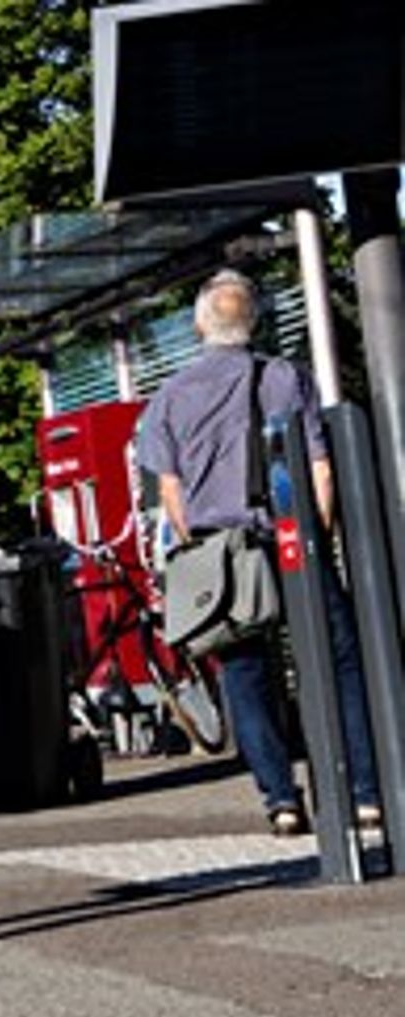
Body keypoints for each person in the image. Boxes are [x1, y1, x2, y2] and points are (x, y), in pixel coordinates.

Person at [136, 268, 381, 837]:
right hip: (289, 539)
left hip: (223, 553)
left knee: (243, 673)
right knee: (340, 659)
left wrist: (197, 544)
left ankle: (281, 799)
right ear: (255, 321)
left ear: (201, 325)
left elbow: (170, 493)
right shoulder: (286, 379)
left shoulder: (170, 397)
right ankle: (364, 790)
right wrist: (319, 539)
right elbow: (318, 467)